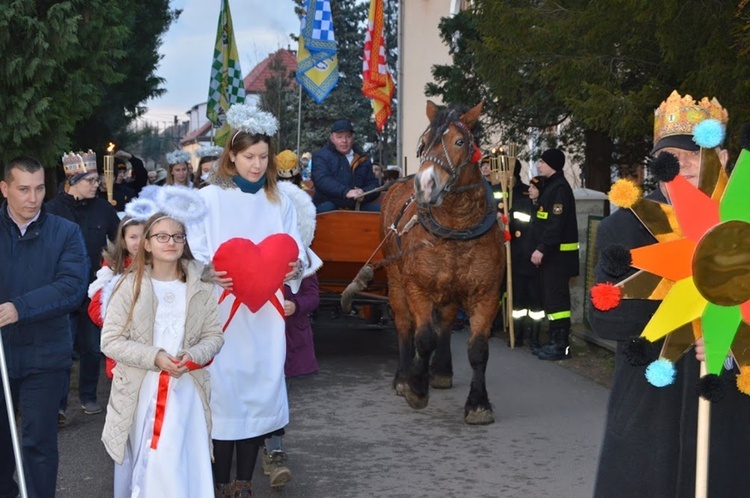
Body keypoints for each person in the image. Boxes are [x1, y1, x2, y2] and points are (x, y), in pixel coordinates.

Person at [589, 91, 750, 497]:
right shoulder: (622, 230)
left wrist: (728, 336)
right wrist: (685, 308)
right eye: (672, 157)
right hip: (650, 412)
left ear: (725, 158)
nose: (686, 165)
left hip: (729, 411)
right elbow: (603, 318)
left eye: (698, 152)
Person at [188, 103, 307, 497]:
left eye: (262, 157)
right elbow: (194, 251)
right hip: (223, 310)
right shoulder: (209, 199)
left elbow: (295, 249)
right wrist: (206, 272)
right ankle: (220, 481)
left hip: (266, 313)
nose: (256, 165)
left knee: (259, 390)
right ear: (232, 156)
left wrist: (293, 270)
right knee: (226, 392)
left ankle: (244, 480)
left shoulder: (280, 201)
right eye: (248, 157)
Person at [100, 199, 224, 498]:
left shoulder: (200, 287)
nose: (171, 242)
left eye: (177, 236)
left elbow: (214, 336)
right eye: (162, 237)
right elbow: (110, 340)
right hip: (143, 389)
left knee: (186, 458)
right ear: (146, 244)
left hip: (187, 388)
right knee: (159, 459)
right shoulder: (129, 286)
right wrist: (154, 356)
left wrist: (193, 356)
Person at [0, 156, 89, 498]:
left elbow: (71, 287)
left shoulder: (65, 232)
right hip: (1, 353)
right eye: (23, 189)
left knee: (38, 443)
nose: (32, 198)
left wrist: (18, 308)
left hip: (45, 355)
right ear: (5, 188)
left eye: (39, 188)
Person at [46, 150, 121, 420]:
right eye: (90, 180)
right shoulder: (51, 211)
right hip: (62, 292)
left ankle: (88, 396)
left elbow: (118, 244)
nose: (96, 185)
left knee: (91, 348)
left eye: (97, 180)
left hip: (93, 292)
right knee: (63, 349)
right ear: (73, 180)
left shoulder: (104, 209)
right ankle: (59, 404)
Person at [530, 148, 579, 361]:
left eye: (541, 162)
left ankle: (562, 347)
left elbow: (555, 224)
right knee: (552, 300)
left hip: (558, 257)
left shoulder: (559, 188)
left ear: (552, 165)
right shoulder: (551, 187)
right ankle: (554, 342)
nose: (538, 165)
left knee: (558, 302)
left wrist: (542, 248)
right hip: (553, 256)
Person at [87, 209, 146, 379]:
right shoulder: (113, 269)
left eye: (143, 236)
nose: (138, 242)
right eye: (133, 237)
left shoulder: (160, 266)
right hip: (123, 352)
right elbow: (96, 310)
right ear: (123, 240)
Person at [508, 162, 544, 351]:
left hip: (537, 264)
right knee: (518, 304)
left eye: (533, 187)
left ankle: (535, 338)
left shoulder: (544, 209)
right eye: (529, 186)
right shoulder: (521, 205)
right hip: (519, 260)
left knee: (536, 305)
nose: (529, 190)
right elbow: (513, 226)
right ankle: (518, 335)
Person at [311, 119, 380, 213]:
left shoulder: (362, 159)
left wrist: (364, 193)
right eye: (339, 137)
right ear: (332, 138)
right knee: (328, 210)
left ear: (353, 138)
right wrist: (346, 192)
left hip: (357, 205)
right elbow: (322, 180)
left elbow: (374, 185)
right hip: (330, 204)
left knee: (379, 211)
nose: (344, 141)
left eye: (348, 136)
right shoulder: (321, 156)